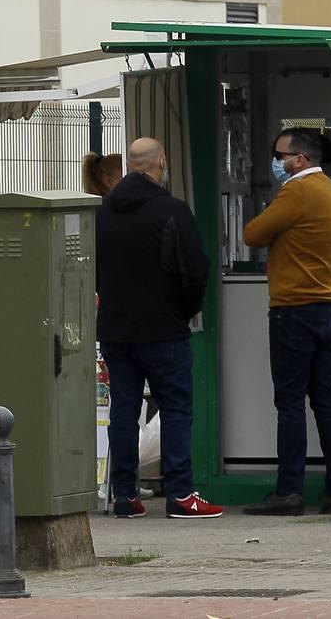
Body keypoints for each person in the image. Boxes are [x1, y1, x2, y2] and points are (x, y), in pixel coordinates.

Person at [97, 138, 222, 520]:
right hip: (164, 329)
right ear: (161, 162)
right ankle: (181, 494)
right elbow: (195, 269)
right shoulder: (172, 210)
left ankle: (124, 495)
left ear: (130, 165)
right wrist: (186, 310)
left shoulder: (103, 212)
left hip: (116, 329)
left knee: (123, 409)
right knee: (176, 409)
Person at [241, 127, 331, 517]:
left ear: (300, 159)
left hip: (294, 308)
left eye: (279, 153)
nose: (276, 160)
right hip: (327, 306)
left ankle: (289, 490)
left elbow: (253, 234)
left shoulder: (297, 191)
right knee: (325, 399)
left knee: (289, 402)